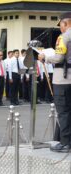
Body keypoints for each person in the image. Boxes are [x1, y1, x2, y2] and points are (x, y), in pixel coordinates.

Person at [38, 12, 71, 153]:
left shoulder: (63, 37)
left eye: (61, 25)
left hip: (63, 80)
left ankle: (65, 143)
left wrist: (44, 57)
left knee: (63, 112)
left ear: (66, 23)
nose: (60, 28)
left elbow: (58, 59)